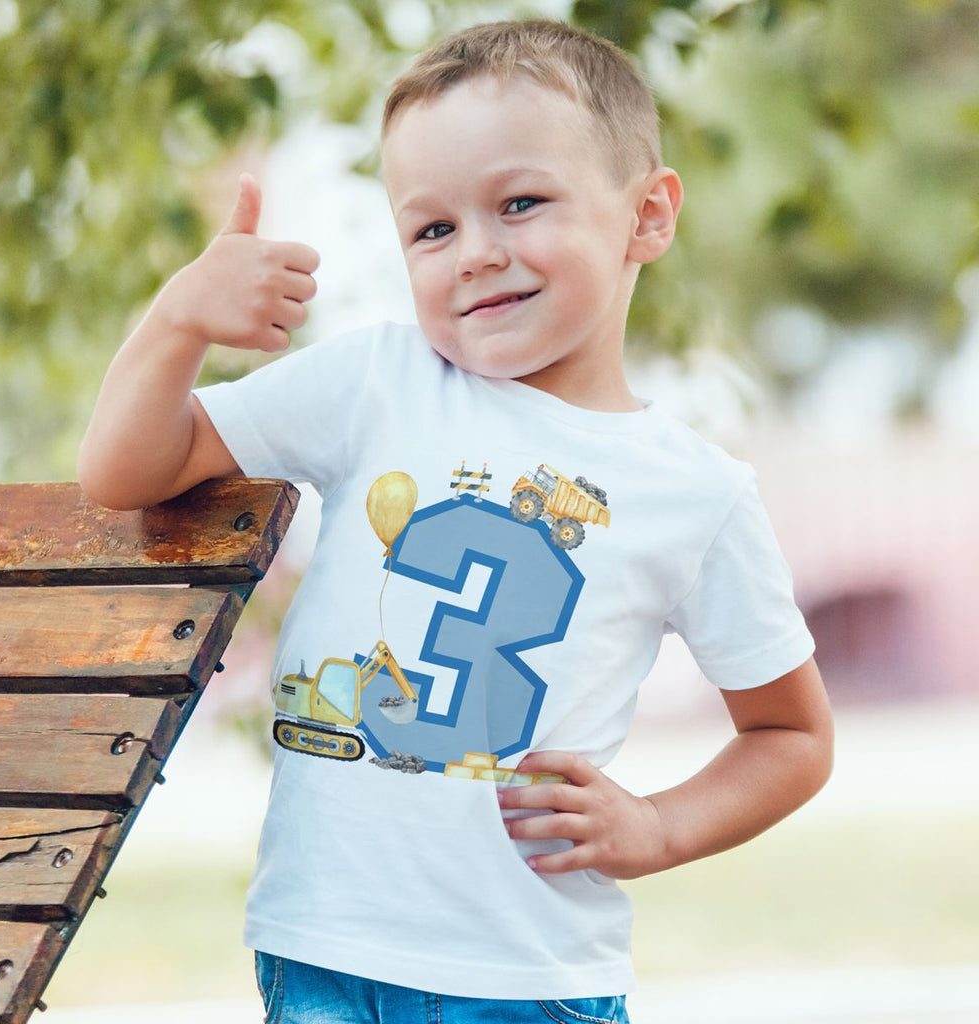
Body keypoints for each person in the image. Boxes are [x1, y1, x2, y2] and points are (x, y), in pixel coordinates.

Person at [78, 18, 833, 1024]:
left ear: (646, 216)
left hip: (528, 979)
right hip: (322, 956)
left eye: (519, 203)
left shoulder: (694, 490)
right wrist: (179, 318)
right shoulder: (375, 382)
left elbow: (790, 734)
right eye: (431, 229)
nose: (475, 253)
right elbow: (126, 471)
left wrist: (655, 827)